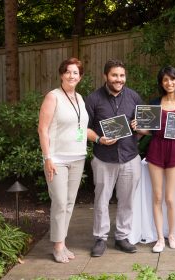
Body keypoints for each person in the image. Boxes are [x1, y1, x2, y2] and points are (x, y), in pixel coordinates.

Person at [131, 66, 175, 253]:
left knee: (170, 198)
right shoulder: (154, 103)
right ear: (161, 83)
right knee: (157, 197)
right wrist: (137, 127)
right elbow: (149, 131)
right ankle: (159, 238)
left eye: (172, 79)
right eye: (165, 80)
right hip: (156, 149)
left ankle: (172, 235)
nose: (169, 83)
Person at [85, 59, 143, 257]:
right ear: (105, 76)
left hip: (130, 157)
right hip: (104, 157)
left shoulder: (134, 97)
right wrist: (100, 139)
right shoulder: (93, 99)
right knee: (102, 199)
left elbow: (145, 128)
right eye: (114, 75)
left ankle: (122, 237)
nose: (119, 79)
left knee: (126, 200)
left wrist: (139, 128)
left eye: (122, 76)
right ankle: (100, 238)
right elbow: (84, 129)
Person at [38, 57, 89, 263]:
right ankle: (57, 246)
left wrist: (101, 138)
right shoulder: (53, 97)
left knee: (68, 203)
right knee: (59, 202)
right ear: (61, 74)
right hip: (57, 159)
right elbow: (42, 129)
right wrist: (47, 157)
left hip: (78, 157)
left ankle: (62, 242)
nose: (71, 76)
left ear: (80, 76)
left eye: (75, 72)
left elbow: (82, 127)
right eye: (68, 72)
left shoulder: (80, 98)